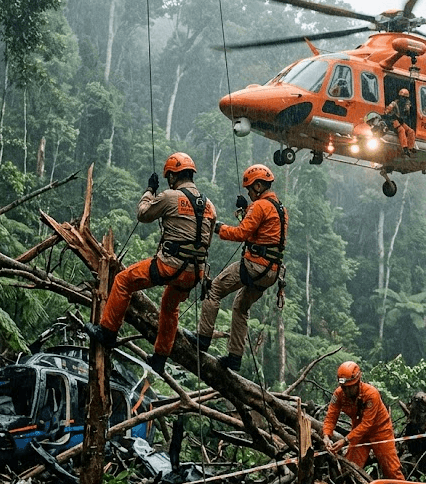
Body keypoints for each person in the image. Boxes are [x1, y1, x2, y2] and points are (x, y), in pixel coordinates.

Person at [85, 152, 216, 375]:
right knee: (170, 304)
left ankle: (107, 332)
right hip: (195, 273)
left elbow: (143, 215)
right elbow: (207, 241)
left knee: (123, 280)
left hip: (169, 266)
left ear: (173, 176)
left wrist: (149, 191)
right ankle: (160, 358)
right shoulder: (210, 206)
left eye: (169, 177)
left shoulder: (170, 196)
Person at [193, 164, 286, 371]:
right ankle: (234, 357)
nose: (249, 193)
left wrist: (218, 228)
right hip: (271, 272)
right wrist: (246, 211)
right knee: (240, 307)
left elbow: (241, 233)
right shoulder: (279, 208)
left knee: (214, 289)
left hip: (255, 265)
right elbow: (260, 231)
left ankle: (202, 339)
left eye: (250, 189)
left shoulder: (260, 206)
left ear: (259, 186)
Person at [322, 361, 405, 480]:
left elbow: (367, 424)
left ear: (357, 382)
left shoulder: (371, 394)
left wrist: (345, 440)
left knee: (392, 470)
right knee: (350, 469)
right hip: (359, 434)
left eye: (350, 387)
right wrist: (326, 436)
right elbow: (331, 416)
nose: (346, 391)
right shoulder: (338, 394)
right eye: (344, 387)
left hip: (380, 432)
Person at [381, 88, 416, 156]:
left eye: (405, 98)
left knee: (411, 131)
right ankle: (404, 148)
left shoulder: (407, 105)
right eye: (402, 97)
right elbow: (387, 111)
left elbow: (407, 114)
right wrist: (389, 113)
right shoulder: (394, 103)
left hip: (400, 121)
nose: (404, 99)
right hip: (393, 120)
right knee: (401, 130)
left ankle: (410, 147)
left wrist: (408, 110)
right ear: (400, 97)